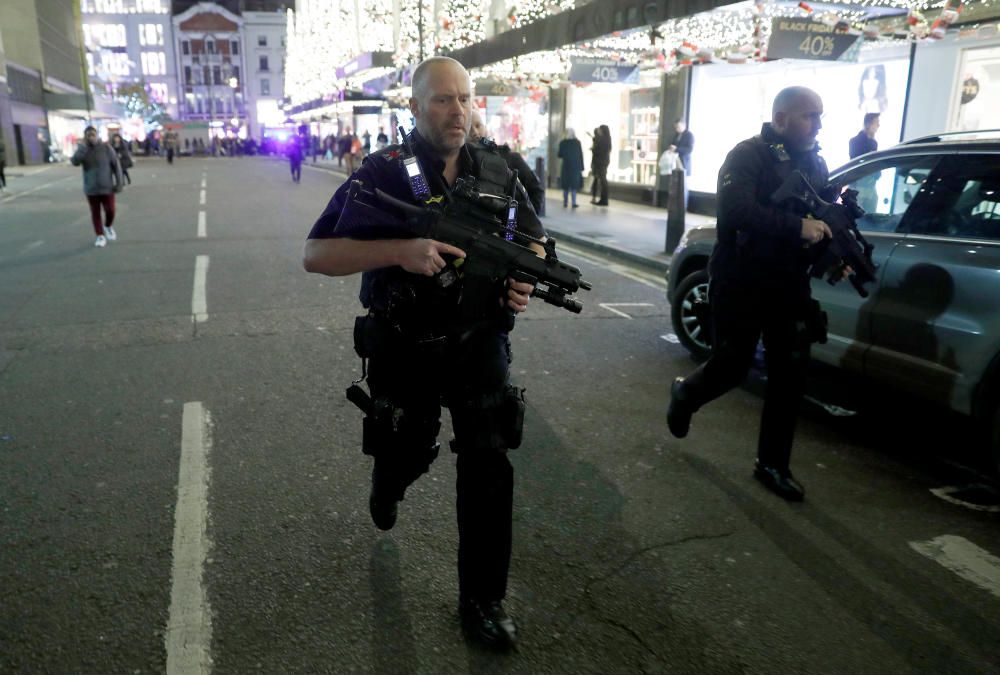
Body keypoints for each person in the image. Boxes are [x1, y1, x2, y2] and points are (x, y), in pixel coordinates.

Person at [303, 55, 545, 650]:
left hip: (480, 342)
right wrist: (399, 251)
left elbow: (531, 238)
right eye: (441, 99)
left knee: (489, 465)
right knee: (407, 446)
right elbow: (316, 254)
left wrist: (525, 279)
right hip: (406, 345)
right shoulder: (384, 172)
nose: (456, 110)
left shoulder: (499, 167)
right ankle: (390, 480)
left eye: (464, 98)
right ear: (414, 107)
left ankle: (483, 600)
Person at [666, 86, 838, 502]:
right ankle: (686, 393)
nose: (817, 124)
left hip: (789, 284)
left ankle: (772, 464)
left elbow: (824, 216)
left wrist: (835, 252)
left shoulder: (815, 161)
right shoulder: (747, 155)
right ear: (780, 119)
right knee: (732, 364)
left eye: (820, 116)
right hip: (741, 279)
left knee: (789, 376)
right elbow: (736, 210)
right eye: (808, 116)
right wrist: (797, 228)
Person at [468, 109, 545, 214]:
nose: (474, 132)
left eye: (478, 126)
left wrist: (523, 221)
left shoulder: (511, 158)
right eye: (468, 128)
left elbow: (536, 190)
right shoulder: (459, 164)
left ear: (485, 129)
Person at [71, 126, 123, 248]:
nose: (91, 137)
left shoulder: (106, 148)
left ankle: (108, 226)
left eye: (93, 134)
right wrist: (82, 149)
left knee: (110, 210)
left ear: (97, 135)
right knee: (95, 213)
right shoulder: (82, 149)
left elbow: (116, 165)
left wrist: (119, 183)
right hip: (91, 188)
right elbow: (74, 162)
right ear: (85, 137)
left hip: (107, 186)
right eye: (89, 135)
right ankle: (100, 235)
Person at [558, 128, 584, 208]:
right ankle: (573, 203)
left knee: (566, 185)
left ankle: (565, 202)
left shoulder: (563, 143)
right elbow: (580, 155)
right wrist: (582, 167)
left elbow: (559, 155)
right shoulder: (577, 142)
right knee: (574, 185)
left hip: (566, 166)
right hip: (575, 167)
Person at [590, 125, 611, 205]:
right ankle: (603, 199)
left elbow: (598, 151)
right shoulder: (607, 139)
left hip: (600, 162)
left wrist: (593, 150)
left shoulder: (603, 140)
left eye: (600, 129)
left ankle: (604, 200)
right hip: (604, 162)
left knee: (602, 180)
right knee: (602, 180)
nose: (598, 131)